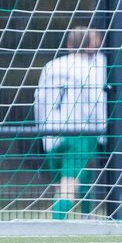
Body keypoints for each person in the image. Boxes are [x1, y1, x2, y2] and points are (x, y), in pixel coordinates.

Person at [34, 26, 106, 220]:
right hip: (78, 132)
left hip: (51, 132)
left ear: (69, 45)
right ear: (89, 46)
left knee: (62, 185)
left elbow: (39, 99)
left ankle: (82, 216)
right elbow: (96, 101)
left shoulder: (51, 66)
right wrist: (101, 132)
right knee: (68, 186)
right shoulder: (89, 69)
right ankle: (57, 224)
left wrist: (41, 128)